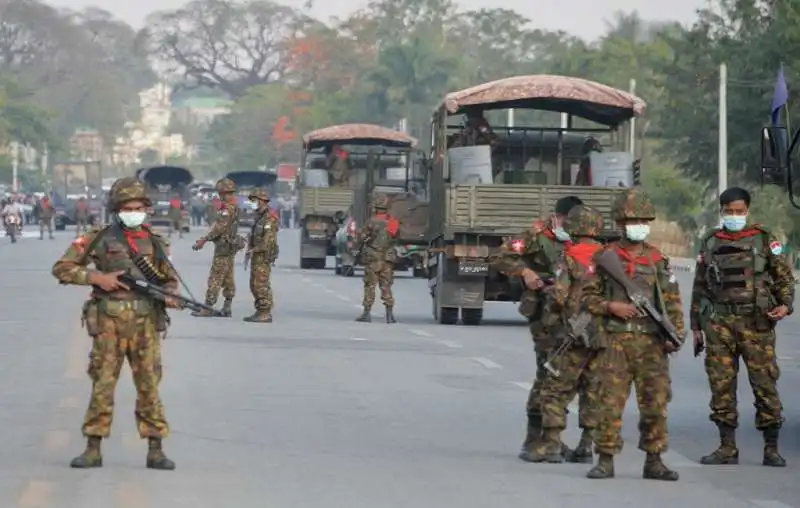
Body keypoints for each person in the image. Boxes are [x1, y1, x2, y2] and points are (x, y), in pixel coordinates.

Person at [51, 177, 178, 470]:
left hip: (145, 322)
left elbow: (169, 279)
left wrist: (170, 295)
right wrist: (98, 278)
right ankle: (93, 447)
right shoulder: (98, 238)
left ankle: (155, 449)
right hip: (108, 321)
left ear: (146, 208)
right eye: (127, 207)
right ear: (116, 209)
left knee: (149, 385)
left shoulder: (156, 242)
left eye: (138, 207)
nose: (133, 211)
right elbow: (62, 268)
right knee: (103, 384)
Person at [581, 188, 684, 481]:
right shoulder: (605, 258)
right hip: (615, 341)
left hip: (652, 343)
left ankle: (655, 461)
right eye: (632, 219)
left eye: (643, 219)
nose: (639, 224)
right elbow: (585, 298)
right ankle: (604, 459)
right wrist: (610, 306)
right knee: (609, 403)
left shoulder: (657, 260)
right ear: (620, 223)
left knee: (656, 404)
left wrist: (674, 334)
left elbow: (672, 302)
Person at [691, 186, 793, 467]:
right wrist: (696, 327)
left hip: (756, 323)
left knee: (765, 384)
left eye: (739, 211)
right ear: (721, 211)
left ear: (747, 211)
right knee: (721, 384)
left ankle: (771, 448)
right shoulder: (711, 242)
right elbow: (700, 286)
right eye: (729, 211)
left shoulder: (763, 239)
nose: (734, 216)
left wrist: (785, 304)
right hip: (719, 323)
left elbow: (784, 276)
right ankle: (726, 447)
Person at [489, 195, 583, 462]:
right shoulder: (536, 234)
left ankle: (553, 437)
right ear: (558, 217)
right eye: (567, 221)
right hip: (544, 312)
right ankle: (535, 438)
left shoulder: (580, 237)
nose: (571, 225)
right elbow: (500, 257)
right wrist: (525, 273)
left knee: (568, 376)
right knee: (549, 370)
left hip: (574, 314)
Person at [531, 205, 606, 464]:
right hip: (602, 333)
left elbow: (561, 296)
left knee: (555, 389)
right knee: (593, 388)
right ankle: (586, 445)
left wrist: (551, 298)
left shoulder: (569, 256)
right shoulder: (610, 256)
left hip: (572, 332)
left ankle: (551, 445)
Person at [192, 178, 243, 317]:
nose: (221, 196)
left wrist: (204, 240)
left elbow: (219, 228)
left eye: (222, 194)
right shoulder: (234, 207)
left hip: (223, 247)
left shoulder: (227, 210)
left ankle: (208, 306)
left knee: (216, 276)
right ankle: (227, 305)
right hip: (230, 246)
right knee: (228, 277)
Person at [355, 194, 400, 323]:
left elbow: (362, 238)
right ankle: (390, 315)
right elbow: (395, 237)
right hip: (387, 259)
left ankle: (367, 313)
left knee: (370, 285)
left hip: (373, 258)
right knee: (386, 286)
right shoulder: (393, 222)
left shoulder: (371, 221)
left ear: (376, 208)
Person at [243, 188, 279, 322]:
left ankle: (265, 311)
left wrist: (256, 249)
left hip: (263, 255)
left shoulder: (270, 217)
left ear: (262, 201)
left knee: (261, 284)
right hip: (256, 254)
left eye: (254, 200)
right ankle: (260, 310)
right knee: (254, 284)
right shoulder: (259, 216)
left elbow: (268, 239)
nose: (252, 203)